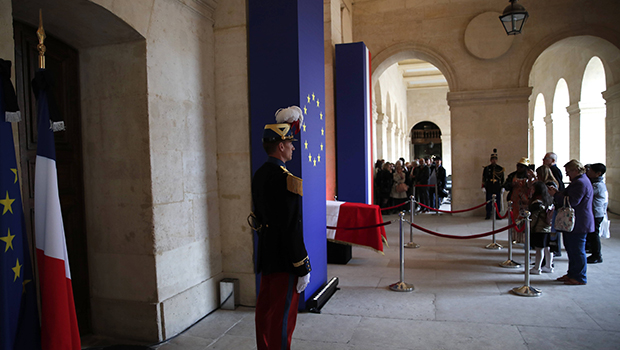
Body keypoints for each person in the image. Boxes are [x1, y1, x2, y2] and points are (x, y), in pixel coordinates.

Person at [251, 106, 311, 349]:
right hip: (286, 259)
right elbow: (290, 228)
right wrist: (302, 264)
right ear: (281, 146)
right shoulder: (287, 180)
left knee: (265, 312)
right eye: (290, 143)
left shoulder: (260, 174)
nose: (293, 147)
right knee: (283, 318)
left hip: (267, 254)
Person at [549, 159, 594, 285]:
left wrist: (556, 195)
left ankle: (579, 277)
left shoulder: (581, 183)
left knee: (577, 250)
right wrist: (558, 193)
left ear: (576, 170)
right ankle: (572, 273)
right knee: (571, 249)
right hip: (573, 222)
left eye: (569, 172)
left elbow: (572, 201)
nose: (567, 175)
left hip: (578, 222)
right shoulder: (579, 181)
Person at [504, 157, 536, 242]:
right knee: (514, 219)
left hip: (525, 201)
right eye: (518, 166)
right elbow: (506, 186)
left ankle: (524, 239)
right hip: (514, 201)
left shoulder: (529, 176)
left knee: (523, 219)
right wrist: (511, 184)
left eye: (521, 166)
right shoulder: (512, 175)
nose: (519, 168)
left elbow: (534, 186)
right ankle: (514, 238)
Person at [529, 181, 555, 275]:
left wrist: (530, 228)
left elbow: (534, 218)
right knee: (548, 248)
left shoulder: (537, 203)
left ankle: (537, 268)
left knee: (539, 249)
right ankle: (548, 266)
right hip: (549, 228)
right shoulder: (549, 200)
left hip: (540, 229)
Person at [585, 163, 608, 264]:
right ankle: (593, 250)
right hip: (594, 212)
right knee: (592, 234)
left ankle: (597, 255)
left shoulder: (598, 185)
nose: (588, 172)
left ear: (598, 173)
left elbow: (587, 193)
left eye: (591, 171)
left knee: (594, 235)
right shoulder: (594, 183)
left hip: (596, 213)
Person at [481, 149, 505, 220]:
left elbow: (502, 179)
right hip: (489, 186)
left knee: (498, 202)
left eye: (495, 159)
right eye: (492, 159)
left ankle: (498, 214)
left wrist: (503, 187)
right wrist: (483, 186)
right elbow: (484, 178)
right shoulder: (487, 168)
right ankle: (488, 214)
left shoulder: (500, 169)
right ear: (490, 160)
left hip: (497, 187)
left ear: (496, 160)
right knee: (488, 201)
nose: (493, 161)